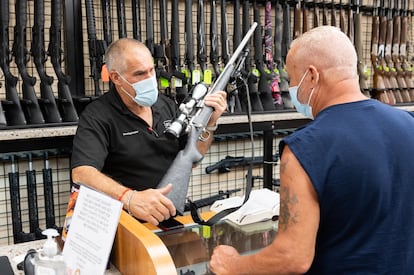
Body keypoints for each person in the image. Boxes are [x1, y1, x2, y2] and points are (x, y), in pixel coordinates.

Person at [210, 26, 414, 274]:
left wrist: (232, 265)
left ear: (313, 76)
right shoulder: (409, 125)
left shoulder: (305, 147)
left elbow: (291, 258)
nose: (292, 87)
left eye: (291, 79)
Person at [70, 38, 227, 226]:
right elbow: (82, 173)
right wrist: (130, 198)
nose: (149, 79)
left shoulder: (166, 105)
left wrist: (210, 123)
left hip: (166, 216)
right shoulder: (98, 115)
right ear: (116, 78)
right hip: (123, 222)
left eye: (151, 70)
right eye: (139, 74)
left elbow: (193, 156)